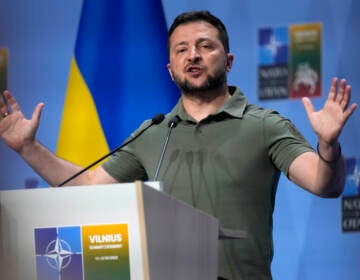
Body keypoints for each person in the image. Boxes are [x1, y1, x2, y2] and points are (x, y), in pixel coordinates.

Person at [0, 10, 357, 280]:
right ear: (170, 69)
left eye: (206, 46)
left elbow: (325, 183)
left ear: (229, 61)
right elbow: (88, 187)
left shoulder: (264, 125)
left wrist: (328, 144)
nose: (193, 56)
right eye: (182, 49)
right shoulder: (154, 131)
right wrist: (28, 148)